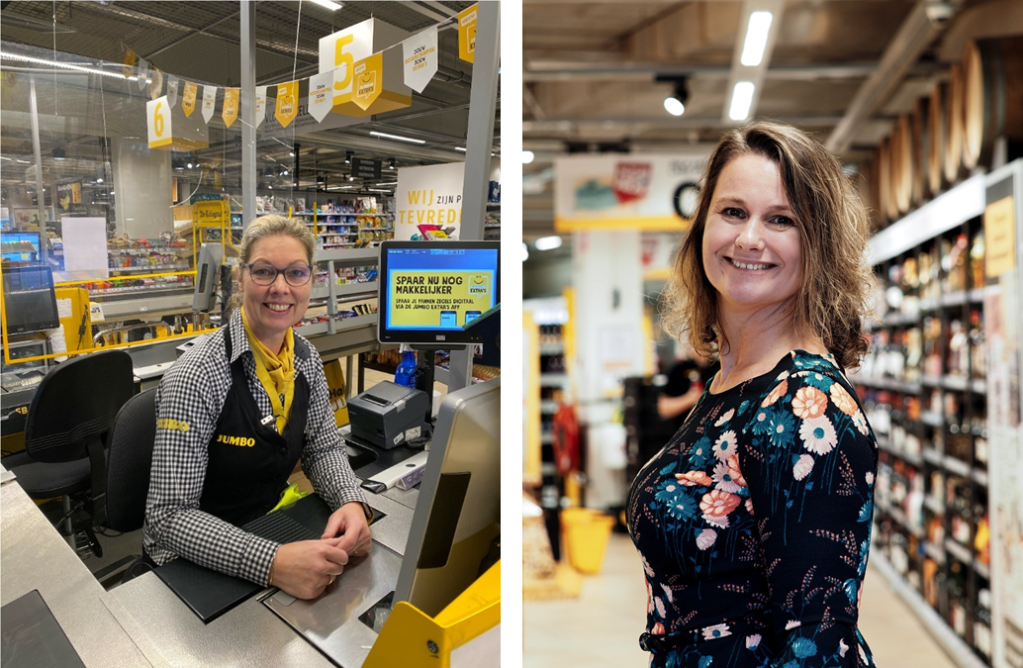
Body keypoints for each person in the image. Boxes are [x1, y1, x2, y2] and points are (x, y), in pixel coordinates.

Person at [626, 122, 879, 667]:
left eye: (781, 219)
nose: (748, 239)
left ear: (818, 244)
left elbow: (817, 646)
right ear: (703, 227)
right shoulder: (732, 383)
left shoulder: (802, 405)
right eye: (733, 212)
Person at [144, 215, 372, 601]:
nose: (280, 288)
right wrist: (272, 562)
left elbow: (324, 447)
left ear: (310, 281)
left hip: (267, 528)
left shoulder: (305, 357)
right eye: (265, 271)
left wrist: (350, 500)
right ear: (241, 278)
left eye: (295, 273)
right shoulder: (197, 378)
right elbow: (168, 518)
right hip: (190, 564)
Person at [657, 347, 718, 431]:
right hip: (685, 431)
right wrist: (691, 398)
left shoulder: (720, 368)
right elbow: (664, 409)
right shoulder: (679, 370)